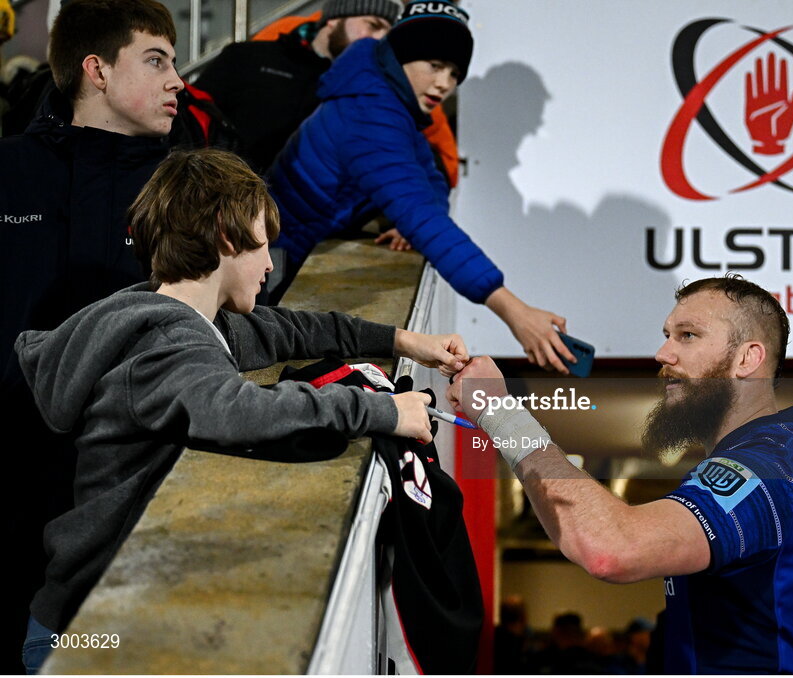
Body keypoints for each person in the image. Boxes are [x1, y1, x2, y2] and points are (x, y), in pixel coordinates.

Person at [14, 147, 468, 673]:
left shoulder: (192, 319)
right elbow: (239, 410)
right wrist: (384, 412)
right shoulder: (166, 346)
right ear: (227, 239)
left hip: (93, 611)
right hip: (81, 632)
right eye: (263, 243)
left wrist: (403, 340)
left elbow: (294, 329)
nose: (272, 263)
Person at [448, 275, 793, 673]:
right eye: (667, 335)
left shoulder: (760, 472)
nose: (663, 354)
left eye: (688, 336)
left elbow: (610, 550)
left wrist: (499, 411)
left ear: (747, 358)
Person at [0, 0, 182, 671]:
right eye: (156, 60)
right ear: (96, 70)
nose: (178, 81)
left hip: (124, 488)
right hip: (10, 476)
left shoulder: (183, 187)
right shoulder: (10, 171)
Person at [267, 0, 575, 373]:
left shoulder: (387, 100)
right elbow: (424, 216)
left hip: (289, 252)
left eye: (454, 72)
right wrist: (513, 310)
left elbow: (430, 182)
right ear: (400, 57)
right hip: (274, 263)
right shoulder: (370, 114)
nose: (445, 84)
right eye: (435, 66)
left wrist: (406, 218)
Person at [193, 0, 401, 174]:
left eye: (386, 34)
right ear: (335, 18)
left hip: (305, 215)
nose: (378, 39)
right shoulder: (248, 57)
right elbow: (190, 117)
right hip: (219, 199)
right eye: (373, 25)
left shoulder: (366, 91)